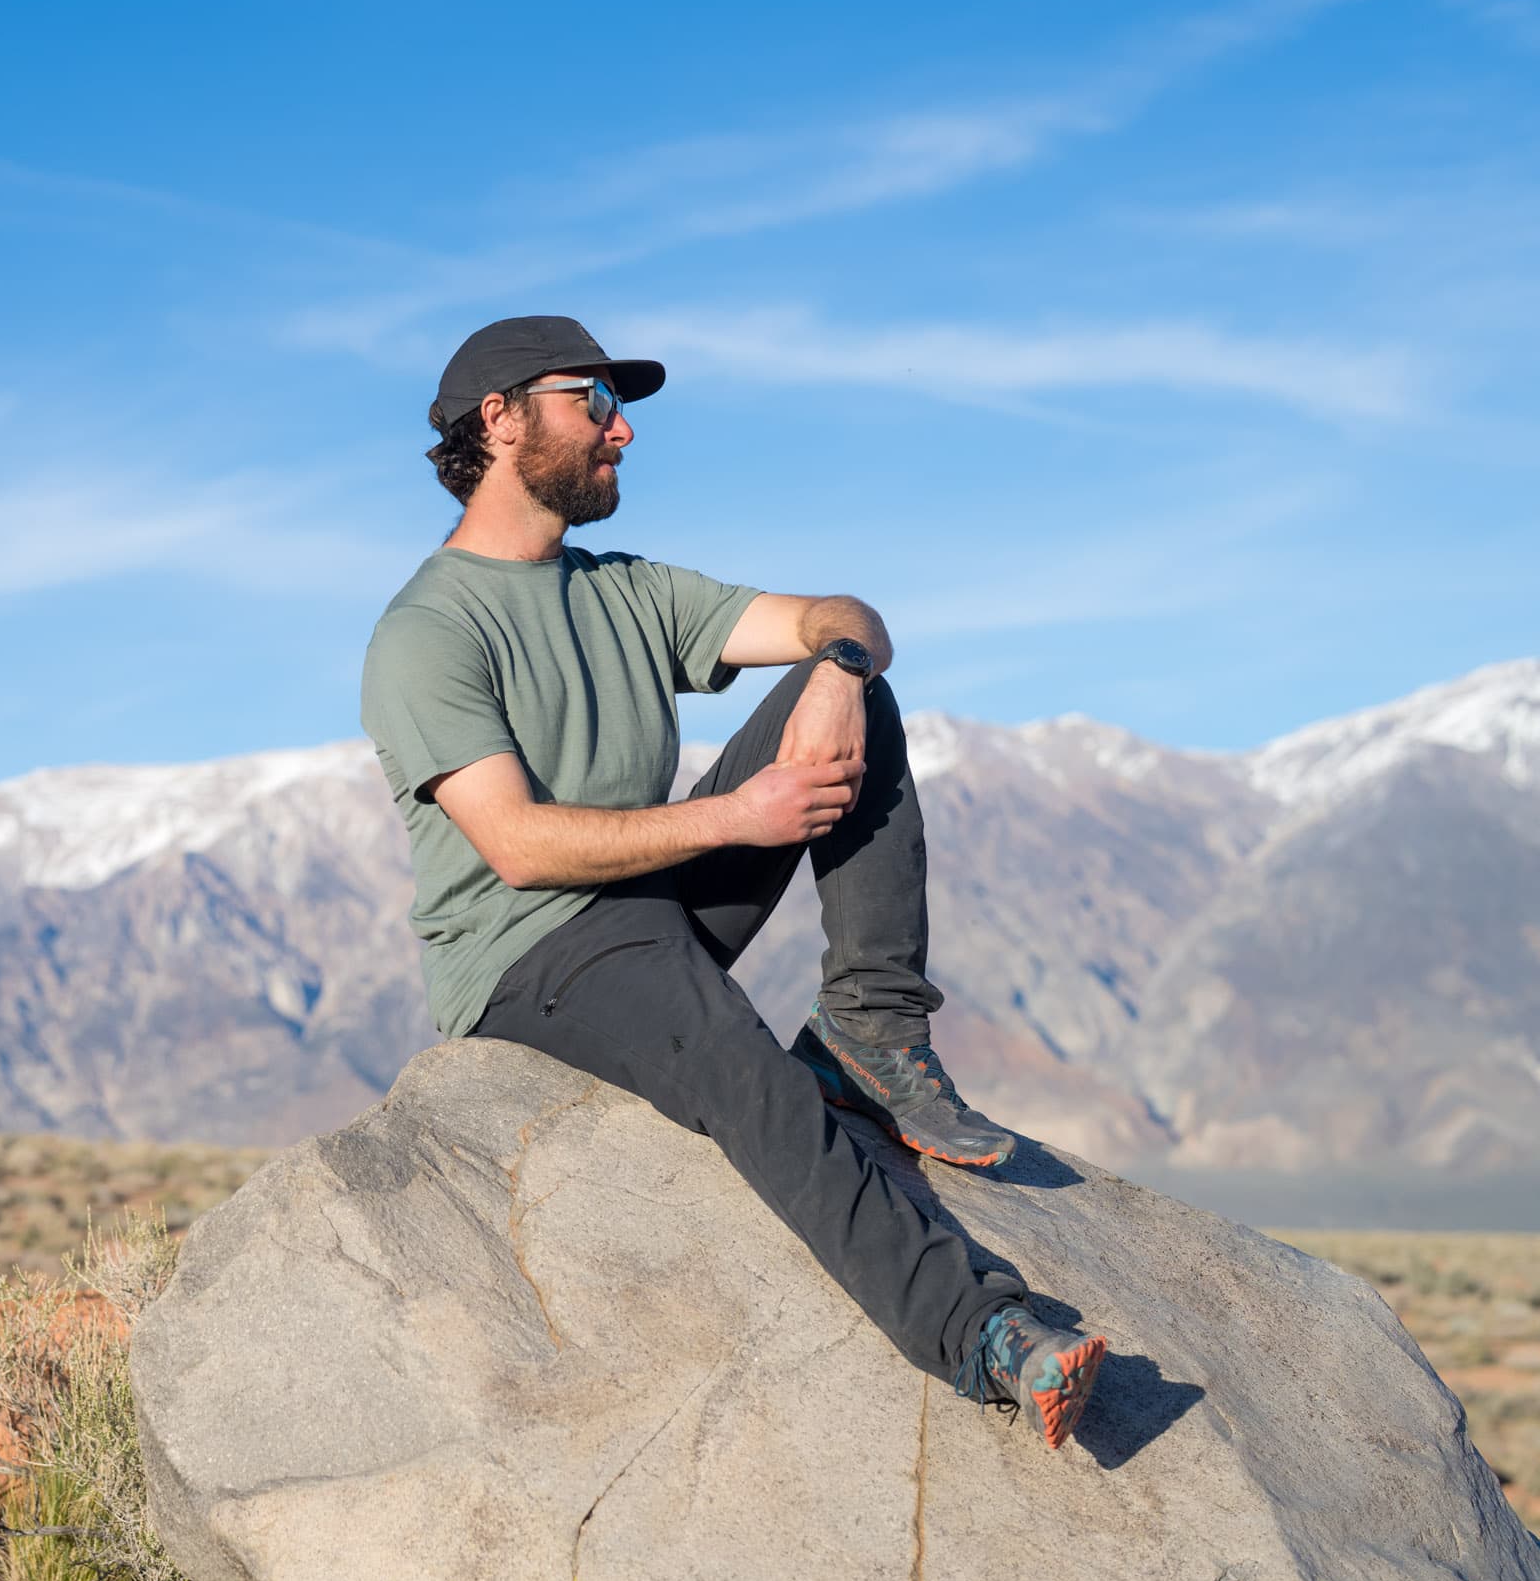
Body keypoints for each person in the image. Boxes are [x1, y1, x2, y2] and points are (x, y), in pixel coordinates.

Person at [359, 315, 1106, 1449]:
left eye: (620, 409)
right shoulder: (427, 631)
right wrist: (741, 815)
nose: (619, 431)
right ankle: (986, 1333)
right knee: (742, 1072)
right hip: (529, 958)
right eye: (590, 402)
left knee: (852, 706)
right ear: (500, 419)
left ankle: (869, 1032)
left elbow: (840, 616)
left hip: (652, 904)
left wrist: (840, 667)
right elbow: (514, 845)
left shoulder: (623, 589)